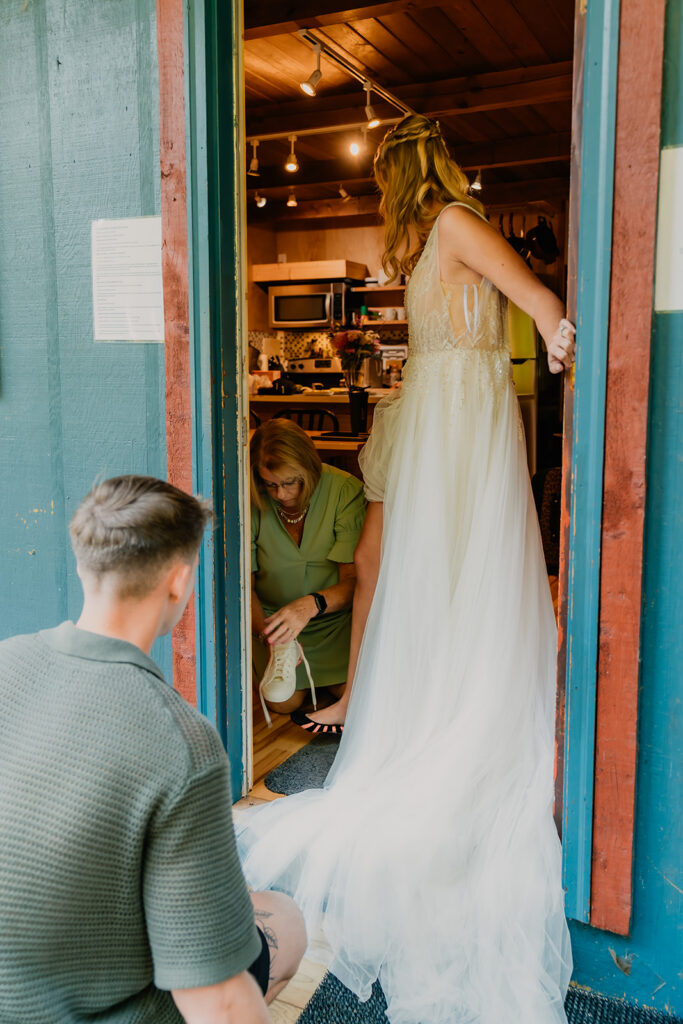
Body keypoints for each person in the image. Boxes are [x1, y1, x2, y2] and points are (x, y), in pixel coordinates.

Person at [236, 114, 576, 1024]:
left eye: (384, 183)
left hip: (463, 428)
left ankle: (453, 715)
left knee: (465, 577)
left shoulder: (457, 221)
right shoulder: (427, 244)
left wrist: (554, 336)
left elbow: (531, 291)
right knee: (432, 584)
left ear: (403, 173)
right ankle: (417, 706)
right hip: (434, 423)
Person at [0, 475, 306, 1024]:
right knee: (285, 919)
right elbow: (217, 1003)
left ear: (82, 565)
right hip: (99, 1008)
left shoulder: (6, 661)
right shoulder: (180, 740)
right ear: (179, 580)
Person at [250, 419, 366, 723]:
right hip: (273, 624)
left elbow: (356, 581)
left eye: (291, 482)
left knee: (356, 695)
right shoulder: (250, 498)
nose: (282, 495)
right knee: (285, 703)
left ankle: (326, 678)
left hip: (334, 621)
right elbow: (242, 585)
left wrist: (309, 605)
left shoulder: (344, 491)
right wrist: (269, 634)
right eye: (271, 484)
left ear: (310, 469)